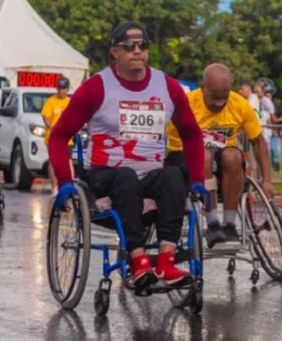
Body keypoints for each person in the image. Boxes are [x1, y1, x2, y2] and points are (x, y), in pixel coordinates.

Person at [47, 22, 206, 289]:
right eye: (129, 46)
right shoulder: (96, 87)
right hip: (105, 174)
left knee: (173, 176)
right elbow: (59, 136)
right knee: (126, 177)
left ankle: (166, 262)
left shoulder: (167, 87)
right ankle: (139, 261)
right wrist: (64, 182)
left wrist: (198, 178)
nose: (137, 51)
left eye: (143, 46)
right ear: (114, 52)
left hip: (149, 175)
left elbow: (191, 135)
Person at [165, 64, 272, 249]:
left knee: (233, 156)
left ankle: (229, 224)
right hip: (184, 157)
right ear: (202, 87)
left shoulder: (239, 105)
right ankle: (213, 223)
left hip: (223, 159)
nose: (219, 103)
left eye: (224, 98)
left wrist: (268, 180)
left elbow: (258, 141)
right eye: (214, 98)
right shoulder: (185, 104)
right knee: (204, 156)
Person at [41, 77, 72, 194]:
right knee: (53, 161)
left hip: (66, 138)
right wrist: (53, 128)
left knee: (68, 161)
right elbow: (46, 118)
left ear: (67, 89)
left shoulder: (70, 102)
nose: (61, 91)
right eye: (59, 88)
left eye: (63, 88)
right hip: (53, 137)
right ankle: (54, 187)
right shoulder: (50, 101)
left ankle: (69, 184)